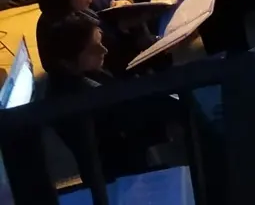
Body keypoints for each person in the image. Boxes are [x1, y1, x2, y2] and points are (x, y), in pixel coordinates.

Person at [38, 12, 170, 186]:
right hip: (119, 179)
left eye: (100, 42)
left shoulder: (75, 74)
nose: (104, 50)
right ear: (67, 61)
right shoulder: (85, 99)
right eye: (94, 49)